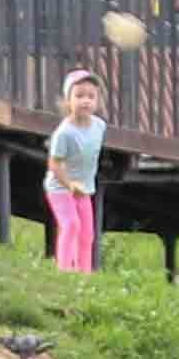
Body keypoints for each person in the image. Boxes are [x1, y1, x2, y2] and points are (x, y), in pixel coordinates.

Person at [44, 69, 107, 274]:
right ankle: (64, 270)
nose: (85, 101)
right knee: (71, 224)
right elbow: (54, 164)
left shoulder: (99, 126)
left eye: (91, 96)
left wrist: (80, 186)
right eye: (79, 95)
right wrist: (69, 184)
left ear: (97, 100)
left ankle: (84, 273)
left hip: (84, 188)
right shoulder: (64, 133)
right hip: (60, 187)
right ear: (68, 100)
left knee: (87, 233)